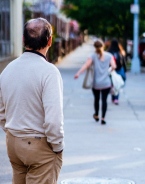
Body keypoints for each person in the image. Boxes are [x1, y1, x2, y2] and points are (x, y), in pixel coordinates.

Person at [0, 18, 64, 184]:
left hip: (13, 142)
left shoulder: (7, 70)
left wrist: (11, 132)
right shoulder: (49, 72)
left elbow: (1, 111)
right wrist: (57, 146)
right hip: (39, 146)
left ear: (23, 40)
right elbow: (53, 120)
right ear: (49, 41)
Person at [74, 39, 116, 125]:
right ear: (103, 46)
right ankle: (103, 118)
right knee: (104, 100)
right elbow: (114, 66)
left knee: (96, 99)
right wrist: (109, 71)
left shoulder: (92, 56)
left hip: (96, 83)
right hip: (106, 83)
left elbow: (86, 65)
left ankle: (96, 115)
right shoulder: (109, 56)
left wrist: (78, 73)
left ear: (94, 47)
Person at [108, 38, 127, 105]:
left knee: (113, 84)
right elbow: (124, 62)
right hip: (119, 69)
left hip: (111, 70)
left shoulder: (109, 52)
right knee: (117, 84)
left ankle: (113, 97)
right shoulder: (121, 52)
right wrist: (125, 69)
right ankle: (116, 98)